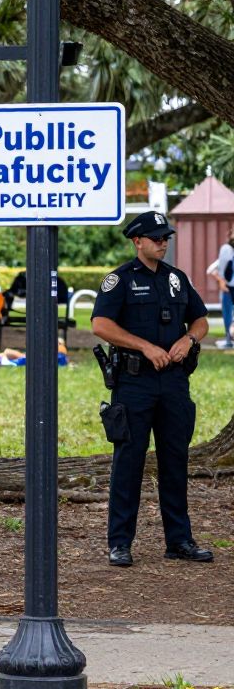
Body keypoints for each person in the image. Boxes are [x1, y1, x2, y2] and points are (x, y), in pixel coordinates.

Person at [91, 211, 212, 568]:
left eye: (166, 237)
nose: (163, 242)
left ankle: (179, 540)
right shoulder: (120, 280)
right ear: (137, 241)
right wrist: (144, 346)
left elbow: (201, 320)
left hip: (174, 381)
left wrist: (189, 339)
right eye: (156, 238)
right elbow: (100, 325)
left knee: (175, 460)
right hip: (135, 383)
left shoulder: (177, 279)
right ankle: (119, 543)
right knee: (128, 462)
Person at [211, 227, 234, 349]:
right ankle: (229, 340)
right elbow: (212, 269)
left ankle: (229, 340)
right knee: (228, 316)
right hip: (229, 290)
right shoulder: (227, 249)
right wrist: (221, 281)